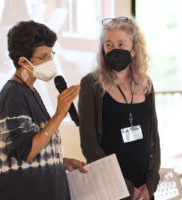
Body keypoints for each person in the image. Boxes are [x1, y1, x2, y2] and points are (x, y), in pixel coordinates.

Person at [0, 21, 87, 200]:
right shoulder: (13, 94)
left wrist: (60, 163)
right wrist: (59, 115)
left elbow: (36, 145)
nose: (50, 62)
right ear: (23, 62)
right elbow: (27, 151)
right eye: (42, 57)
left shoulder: (30, 91)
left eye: (50, 54)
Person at [78, 16, 160, 200]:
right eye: (109, 44)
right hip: (108, 189)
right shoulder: (91, 84)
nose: (114, 50)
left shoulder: (146, 84)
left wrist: (151, 185)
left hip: (144, 190)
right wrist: (127, 188)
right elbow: (89, 146)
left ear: (134, 48)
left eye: (121, 44)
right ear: (102, 49)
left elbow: (154, 137)